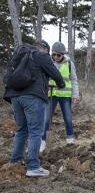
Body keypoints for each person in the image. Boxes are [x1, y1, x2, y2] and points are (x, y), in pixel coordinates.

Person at [3, 40, 65, 177]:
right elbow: (55, 74)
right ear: (44, 49)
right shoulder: (41, 56)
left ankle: (15, 160)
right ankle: (33, 166)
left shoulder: (19, 55)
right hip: (33, 97)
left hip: (14, 97)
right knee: (35, 131)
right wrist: (61, 84)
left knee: (21, 129)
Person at [40, 42, 79, 152]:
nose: (56, 57)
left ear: (63, 54)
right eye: (54, 54)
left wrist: (76, 94)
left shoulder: (69, 64)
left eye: (58, 55)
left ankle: (70, 139)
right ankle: (42, 141)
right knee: (46, 118)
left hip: (65, 95)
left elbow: (74, 80)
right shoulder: (48, 62)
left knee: (68, 117)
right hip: (51, 94)